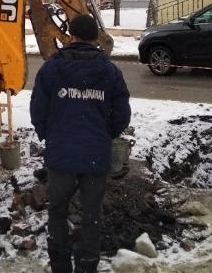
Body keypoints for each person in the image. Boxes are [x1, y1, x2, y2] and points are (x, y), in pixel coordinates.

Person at [29, 14, 131, 273]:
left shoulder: (52, 68)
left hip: (61, 155)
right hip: (95, 156)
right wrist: (103, 134)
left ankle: (60, 267)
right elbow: (122, 115)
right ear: (95, 38)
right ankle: (87, 267)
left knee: (58, 211)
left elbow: (38, 110)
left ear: (70, 37)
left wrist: (50, 136)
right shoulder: (109, 71)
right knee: (91, 215)